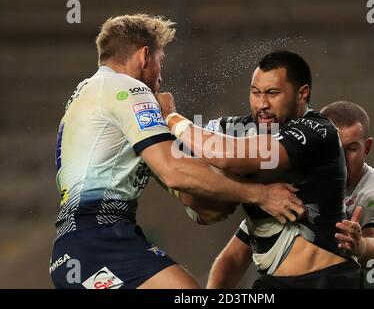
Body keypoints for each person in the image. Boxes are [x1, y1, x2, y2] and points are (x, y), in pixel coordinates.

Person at [50, 15, 303, 289]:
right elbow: (175, 172)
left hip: (78, 248)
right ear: (144, 56)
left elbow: (198, 203)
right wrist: (260, 194)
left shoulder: (92, 95)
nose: (160, 76)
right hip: (101, 241)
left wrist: (235, 183)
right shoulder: (126, 88)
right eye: (161, 61)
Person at [157, 50, 362, 288]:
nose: (262, 104)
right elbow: (178, 154)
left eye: (272, 93)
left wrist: (172, 118)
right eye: (255, 93)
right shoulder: (239, 128)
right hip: (270, 284)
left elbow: (228, 156)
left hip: (326, 281)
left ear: (302, 94)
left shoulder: (318, 131)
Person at [321, 101, 374, 289]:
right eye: (334, 148)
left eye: (351, 149)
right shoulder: (306, 183)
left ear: (367, 147)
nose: (341, 159)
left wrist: (360, 245)